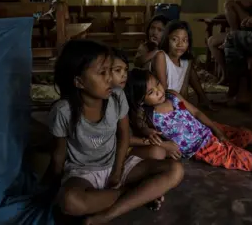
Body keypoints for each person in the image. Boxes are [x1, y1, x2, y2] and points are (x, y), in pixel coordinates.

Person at [44, 40, 183, 224]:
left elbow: (124, 136)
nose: (110, 78)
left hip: (118, 164)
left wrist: (117, 172)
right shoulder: (63, 111)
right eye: (102, 73)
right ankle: (137, 195)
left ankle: (106, 214)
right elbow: (58, 155)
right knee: (70, 201)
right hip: (83, 173)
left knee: (175, 169)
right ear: (79, 81)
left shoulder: (117, 97)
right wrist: (51, 187)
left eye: (110, 71)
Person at [124, 68, 252, 192]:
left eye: (157, 83)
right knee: (238, 156)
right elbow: (143, 132)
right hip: (201, 146)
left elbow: (196, 112)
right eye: (151, 92)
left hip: (208, 128)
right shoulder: (148, 116)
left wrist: (216, 129)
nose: (159, 90)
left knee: (241, 134)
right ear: (141, 100)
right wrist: (154, 137)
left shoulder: (172, 95)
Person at [110, 48, 170, 162]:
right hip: (117, 147)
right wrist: (152, 142)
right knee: (159, 152)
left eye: (125, 70)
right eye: (118, 70)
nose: (124, 75)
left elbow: (138, 125)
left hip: (131, 142)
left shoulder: (124, 94)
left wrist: (147, 132)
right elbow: (120, 138)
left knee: (160, 152)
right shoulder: (110, 99)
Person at [151, 20, 213, 109]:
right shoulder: (161, 56)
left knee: (199, 116)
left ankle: (203, 102)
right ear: (167, 39)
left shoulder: (186, 62)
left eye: (185, 40)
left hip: (176, 102)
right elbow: (163, 91)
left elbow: (184, 92)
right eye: (174, 39)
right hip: (162, 103)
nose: (180, 44)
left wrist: (184, 108)